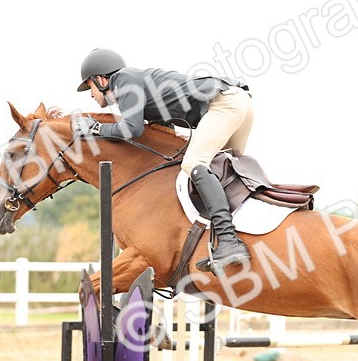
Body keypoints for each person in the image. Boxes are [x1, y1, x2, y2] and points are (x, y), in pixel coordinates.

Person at [77, 48, 253, 275]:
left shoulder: (124, 80)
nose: (91, 95)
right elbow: (162, 136)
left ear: (101, 80)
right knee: (226, 170)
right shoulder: (140, 86)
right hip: (237, 102)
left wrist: (96, 128)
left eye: (89, 87)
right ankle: (244, 234)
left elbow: (132, 128)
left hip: (223, 103)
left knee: (193, 164)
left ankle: (229, 241)